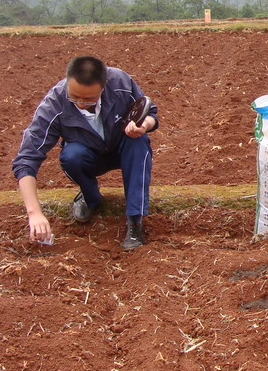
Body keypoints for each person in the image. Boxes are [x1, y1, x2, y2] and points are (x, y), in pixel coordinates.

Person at [12, 56, 158, 250]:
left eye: (89, 99)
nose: (80, 103)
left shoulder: (120, 83)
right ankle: (91, 198)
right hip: (87, 154)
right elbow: (27, 159)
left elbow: (151, 113)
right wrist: (34, 213)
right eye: (75, 97)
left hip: (123, 148)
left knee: (138, 142)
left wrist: (144, 125)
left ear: (104, 86)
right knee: (71, 156)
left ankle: (135, 222)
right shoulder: (54, 104)